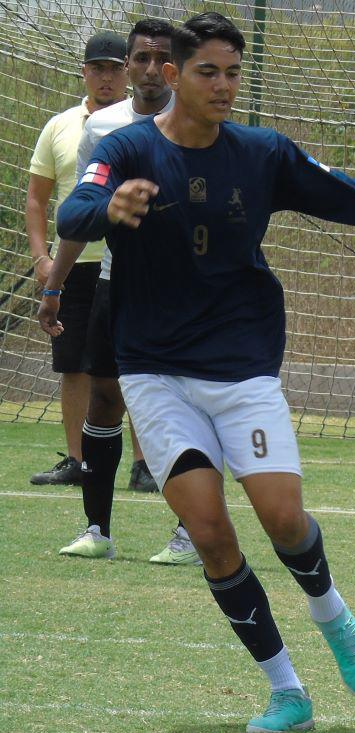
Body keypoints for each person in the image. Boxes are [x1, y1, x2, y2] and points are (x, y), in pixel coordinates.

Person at [54, 12, 355, 733]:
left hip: (241, 367)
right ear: (175, 76)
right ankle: (287, 691)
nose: (223, 86)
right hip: (155, 372)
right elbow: (75, 208)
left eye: (233, 73)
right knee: (210, 531)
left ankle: (331, 612)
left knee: (282, 519)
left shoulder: (262, 154)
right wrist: (109, 209)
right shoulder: (127, 147)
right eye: (208, 72)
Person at [41, 18, 198, 565]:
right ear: (129, 67)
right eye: (142, 58)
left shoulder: (198, 122)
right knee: (105, 398)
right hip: (117, 283)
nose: (151, 69)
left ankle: (191, 534)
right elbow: (80, 215)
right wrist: (55, 285)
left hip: (184, 291)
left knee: (184, 406)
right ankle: (96, 530)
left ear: (176, 68)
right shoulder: (103, 128)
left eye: (162, 59)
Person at [26, 31, 127, 485]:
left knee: (136, 366)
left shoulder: (149, 123)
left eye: (114, 69)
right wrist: (41, 259)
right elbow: (36, 199)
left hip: (128, 263)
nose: (106, 77)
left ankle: (146, 466)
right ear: (84, 72)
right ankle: (77, 461)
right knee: (73, 365)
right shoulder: (60, 126)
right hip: (73, 266)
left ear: (127, 72)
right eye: (98, 68)